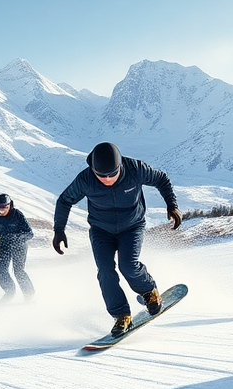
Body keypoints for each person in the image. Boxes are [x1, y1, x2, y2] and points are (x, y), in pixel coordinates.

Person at [53, 142, 181, 337]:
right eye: (101, 175)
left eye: (112, 174)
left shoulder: (135, 169)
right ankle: (121, 315)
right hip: (101, 230)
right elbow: (65, 200)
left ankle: (148, 291)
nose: (107, 179)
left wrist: (172, 205)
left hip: (132, 226)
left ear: (120, 165)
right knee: (105, 271)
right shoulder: (85, 179)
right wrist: (59, 230)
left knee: (128, 266)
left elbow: (161, 179)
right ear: (93, 170)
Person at [0, 193, 35, 302]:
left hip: (19, 245)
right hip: (4, 245)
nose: (1, 211)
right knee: (1, 269)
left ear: (9, 206)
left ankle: (29, 293)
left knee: (18, 271)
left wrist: (18, 238)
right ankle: (9, 291)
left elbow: (30, 233)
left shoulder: (17, 215)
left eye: (4, 208)